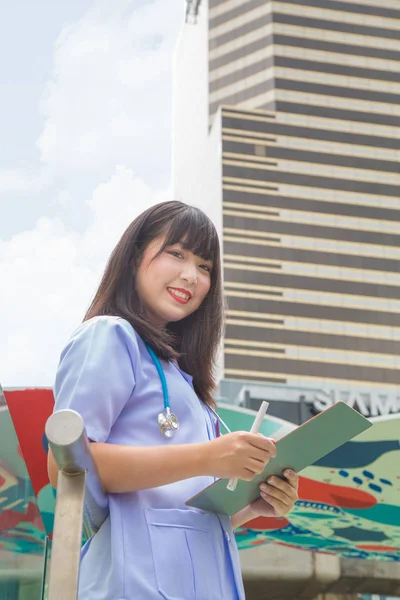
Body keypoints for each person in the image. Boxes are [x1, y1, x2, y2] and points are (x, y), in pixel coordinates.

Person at [47, 201, 298, 600]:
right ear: (134, 258)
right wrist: (208, 457)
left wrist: (253, 504)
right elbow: (68, 467)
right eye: (177, 254)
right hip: (133, 586)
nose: (190, 275)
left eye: (204, 267)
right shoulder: (110, 336)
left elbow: (177, 515)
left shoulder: (188, 384)